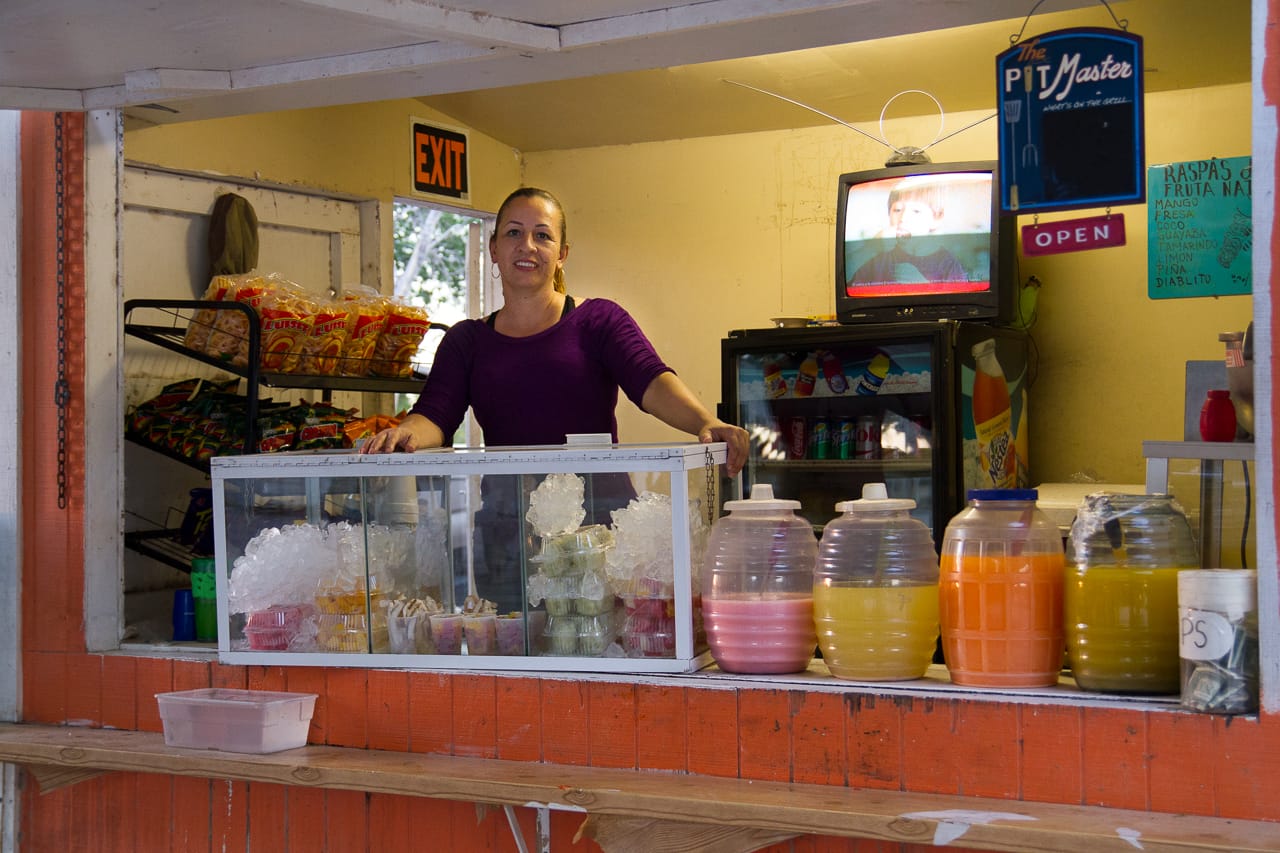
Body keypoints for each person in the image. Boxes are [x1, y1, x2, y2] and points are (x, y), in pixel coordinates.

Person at [362, 186, 748, 610]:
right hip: (507, 538)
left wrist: (704, 422)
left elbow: (651, 381)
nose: (527, 246)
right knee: (517, 648)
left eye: (542, 235)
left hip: (599, 533)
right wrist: (404, 434)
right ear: (493, 249)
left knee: (603, 640)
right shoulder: (465, 341)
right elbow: (434, 415)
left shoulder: (599, 320)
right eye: (513, 233)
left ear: (562, 253)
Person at [849, 177, 967, 287]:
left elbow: (959, 300)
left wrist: (922, 285)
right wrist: (871, 248)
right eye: (897, 210)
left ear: (936, 218)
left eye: (916, 211)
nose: (903, 218)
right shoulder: (878, 256)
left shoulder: (949, 264)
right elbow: (848, 280)